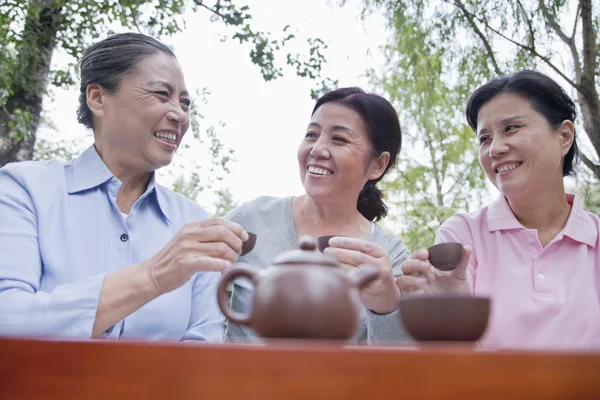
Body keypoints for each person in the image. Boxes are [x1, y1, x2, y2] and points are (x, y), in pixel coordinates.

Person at [0, 33, 248, 342]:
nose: (179, 114)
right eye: (161, 94)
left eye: (185, 103)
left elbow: (204, 348)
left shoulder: (194, 222)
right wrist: (152, 276)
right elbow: (7, 317)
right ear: (97, 98)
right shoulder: (25, 189)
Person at [398, 70, 600, 350]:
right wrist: (449, 319)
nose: (495, 149)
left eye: (511, 128)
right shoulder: (462, 235)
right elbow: (450, 370)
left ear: (564, 136)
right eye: (484, 139)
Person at [225, 87, 411, 344]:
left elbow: (398, 367)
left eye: (339, 139)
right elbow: (196, 300)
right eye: (312, 134)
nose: (317, 149)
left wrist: (385, 306)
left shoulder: (391, 257)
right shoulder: (251, 219)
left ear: (377, 164)